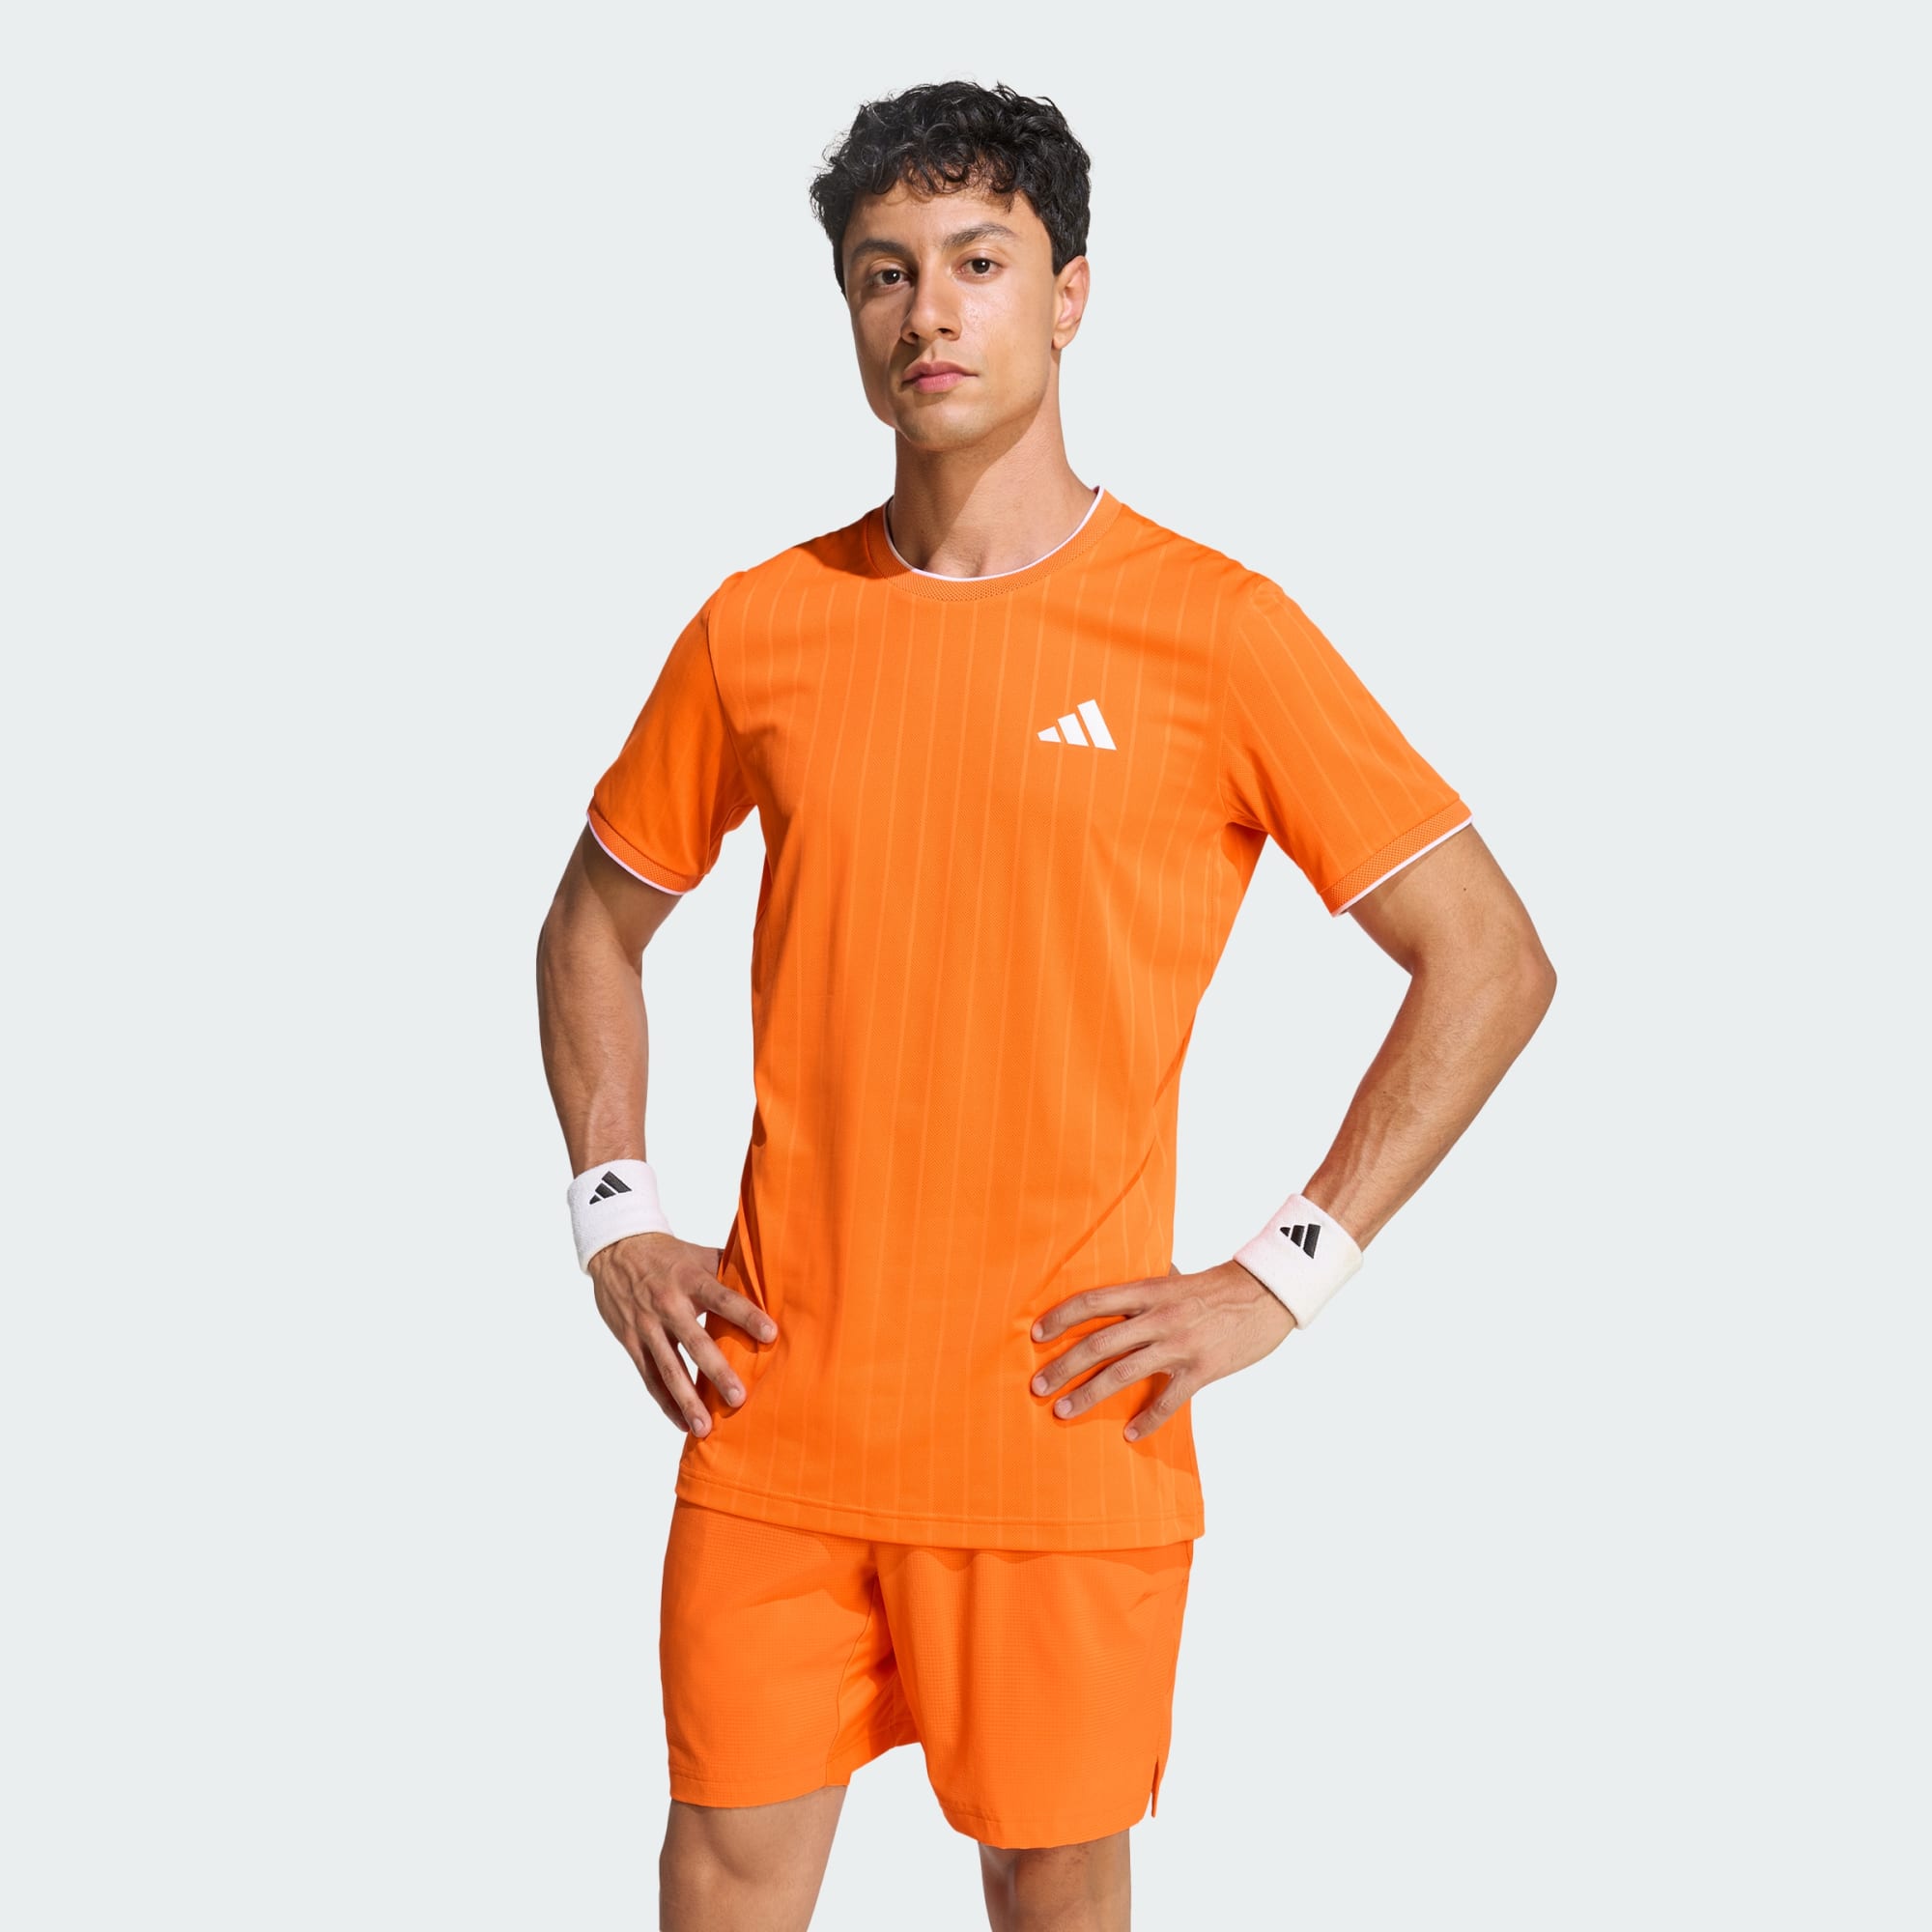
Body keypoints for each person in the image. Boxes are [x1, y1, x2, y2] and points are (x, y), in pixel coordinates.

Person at [535, 76, 1555, 1932]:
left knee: (1055, 1888)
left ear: (1069, 295)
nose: (928, 312)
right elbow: (593, 924)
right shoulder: (760, 624)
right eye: (884, 272)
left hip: (1060, 1431)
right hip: (773, 1422)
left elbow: (1487, 955)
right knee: (720, 1875)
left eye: (977, 263)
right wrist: (617, 1211)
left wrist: (1283, 1275)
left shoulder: (1215, 630)